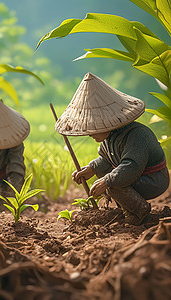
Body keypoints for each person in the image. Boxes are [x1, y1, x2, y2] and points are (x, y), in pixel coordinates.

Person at [55, 72, 170, 225]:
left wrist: (107, 181)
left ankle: (139, 211)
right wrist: (92, 168)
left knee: (112, 183)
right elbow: (106, 159)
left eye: (94, 128)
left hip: (153, 179)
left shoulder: (138, 135)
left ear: (106, 122)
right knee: (107, 176)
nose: (90, 133)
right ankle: (126, 206)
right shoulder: (110, 137)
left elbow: (131, 166)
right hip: (134, 173)